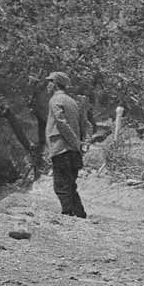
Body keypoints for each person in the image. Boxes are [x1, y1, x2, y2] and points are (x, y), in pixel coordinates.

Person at [42, 71, 88, 219]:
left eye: (49, 82)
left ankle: (67, 215)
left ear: (55, 84)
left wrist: (74, 142)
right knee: (70, 185)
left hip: (62, 148)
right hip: (74, 151)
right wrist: (79, 144)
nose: (47, 85)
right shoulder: (72, 102)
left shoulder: (55, 100)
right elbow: (83, 124)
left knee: (61, 185)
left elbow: (61, 123)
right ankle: (80, 214)